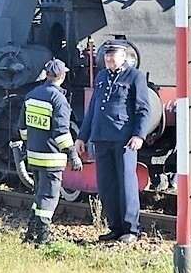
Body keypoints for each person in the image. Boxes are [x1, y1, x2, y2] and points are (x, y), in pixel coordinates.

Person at [75, 39, 151, 244]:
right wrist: (82, 136)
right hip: (101, 137)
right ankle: (115, 227)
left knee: (126, 183)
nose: (109, 58)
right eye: (107, 55)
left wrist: (139, 135)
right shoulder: (101, 77)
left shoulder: (135, 77)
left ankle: (131, 229)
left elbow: (143, 109)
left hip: (123, 138)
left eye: (113, 55)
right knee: (106, 184)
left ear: (123, 57)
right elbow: (93, 110)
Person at [17, 58, 83, 245]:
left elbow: (22, 128)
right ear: (62, 76)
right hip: (52, 159)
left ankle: (30, 234)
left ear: (47, 75)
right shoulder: (59, 99)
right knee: (49, 197)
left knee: (39, 195)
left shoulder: (31, 95)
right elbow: (61, 132)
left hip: (34, 156)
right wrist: (72, 154)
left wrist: (29, 145)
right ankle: (43, 237)